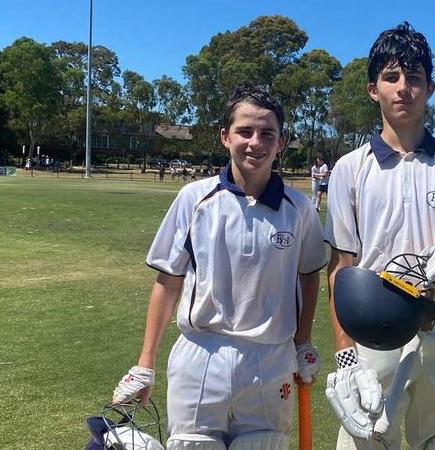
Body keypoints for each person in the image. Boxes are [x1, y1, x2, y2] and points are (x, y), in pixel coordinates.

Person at [111, 86, 327, 450]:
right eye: (244, 131)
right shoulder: (194, 198)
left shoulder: (300, 208)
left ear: (281, 142)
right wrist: (145, 363)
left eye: (267, 134)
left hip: (271, 355)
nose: (254, 142)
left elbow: (310, 276)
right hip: (201, 354)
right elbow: (168, 280)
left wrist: (302, 342)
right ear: (225, 137)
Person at [324, 22, 435, 450]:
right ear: (373, 89)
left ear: (430, 88)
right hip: (375, 328)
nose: (404, 88)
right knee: (366, 437)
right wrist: (346, 356)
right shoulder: (351, 167)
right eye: (391, 77)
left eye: (414, 78)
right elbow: (341, 269)